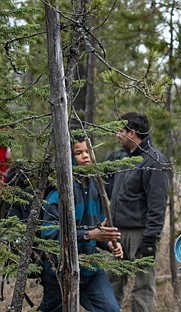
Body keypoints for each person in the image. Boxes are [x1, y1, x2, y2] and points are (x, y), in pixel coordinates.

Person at [40, 136, 123, 312]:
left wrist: (108, 244)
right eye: (78, 153)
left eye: (87, 152)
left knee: (111, 309)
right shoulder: (59, 191)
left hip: (91, 269)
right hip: (60, 271)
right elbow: (49, 235)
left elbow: (97, 230)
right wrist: (90, 235)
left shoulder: (95, 187)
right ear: (69, 157)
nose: (85, 156)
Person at [108, 112, 169, 312]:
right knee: (112, 283)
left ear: (132, 133)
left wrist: (150, 239)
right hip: (117, 232)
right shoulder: (124, 158)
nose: (118, 134)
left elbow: (157, 204)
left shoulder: (154, 160)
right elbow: (114, 192)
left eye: (121, 130)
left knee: (142, 287)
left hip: (141, 233)